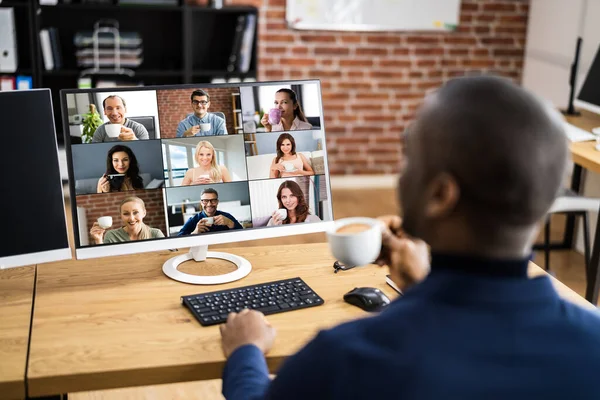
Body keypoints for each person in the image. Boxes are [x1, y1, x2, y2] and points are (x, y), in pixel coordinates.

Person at [218, 76, 600, 399]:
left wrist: (245, 352)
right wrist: (422, 286)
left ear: (439, 195)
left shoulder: (345, 359)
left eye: (409, 157)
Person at [90, 196, 164, 244]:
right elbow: (105, 262)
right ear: (121, 216)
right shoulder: (111, 236)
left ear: (144, 213)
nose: (131, 218)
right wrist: (98, 240)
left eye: (135, 213)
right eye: (126, 214)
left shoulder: (155, 234)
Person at [177, 188, 243, 235]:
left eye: (213, 200)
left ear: (217, 202)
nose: (209, 204)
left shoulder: (227, 217)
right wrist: (195, 232)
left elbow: (243, 234)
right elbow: (179, 239)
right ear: (201, 203)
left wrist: (230, 223)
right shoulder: (193, 220)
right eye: (205, 201)